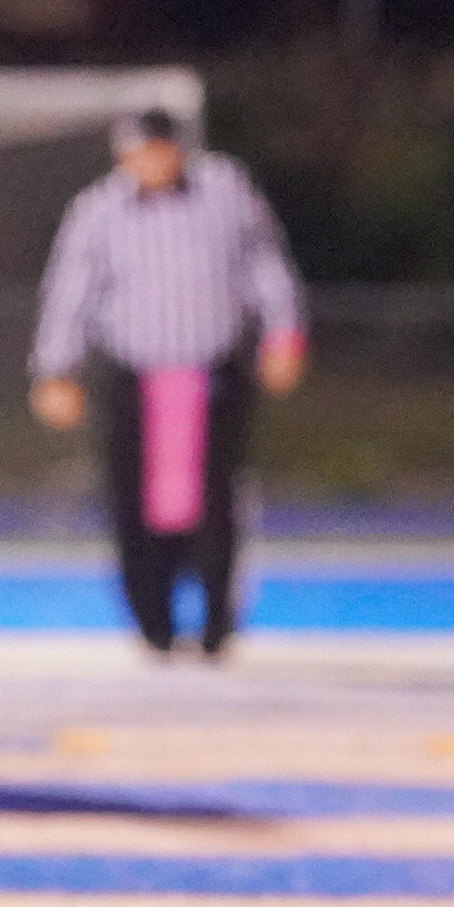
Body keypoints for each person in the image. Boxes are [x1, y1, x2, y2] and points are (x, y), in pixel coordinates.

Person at [29, 109, 307, 658]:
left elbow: (264, 265)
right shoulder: (99, 209)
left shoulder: (224, 190)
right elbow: (72, 291)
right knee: (131, 504)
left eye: (159, 150)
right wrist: (56, 368)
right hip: (134, 376)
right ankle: (152, 624)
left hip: (214, 373)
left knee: (218, 503)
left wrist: (284, 334)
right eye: (138, 152)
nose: (150, 163)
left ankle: (216, 626)